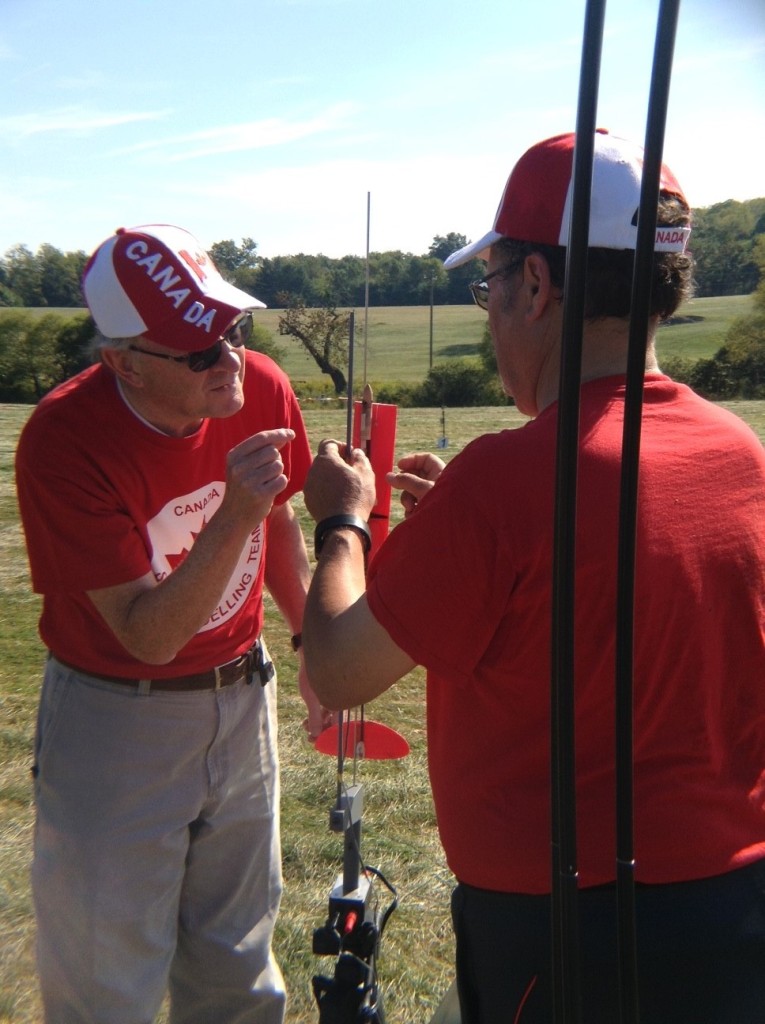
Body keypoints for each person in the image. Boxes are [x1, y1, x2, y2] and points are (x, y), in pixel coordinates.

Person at [300, 131, 765, 1023]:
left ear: (537, 286)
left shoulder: (508, 479)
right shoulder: (738, 453)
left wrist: (341, 522)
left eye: (490, 288)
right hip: (729, 915)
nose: (490, 312)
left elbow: (338, 668)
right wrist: (467, 524)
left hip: (559, 937)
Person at [15, 223, 331, 1024]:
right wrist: (234, 511)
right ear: (122, 362)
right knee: (106, 978)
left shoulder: (256, 385)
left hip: (240, 695)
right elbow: (147, 634)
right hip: (118, 716)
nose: (230, 362)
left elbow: (282, 524)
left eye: (231, 331)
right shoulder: (64, 440)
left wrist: (312, 646)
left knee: (237, 963)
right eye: (198, 353)